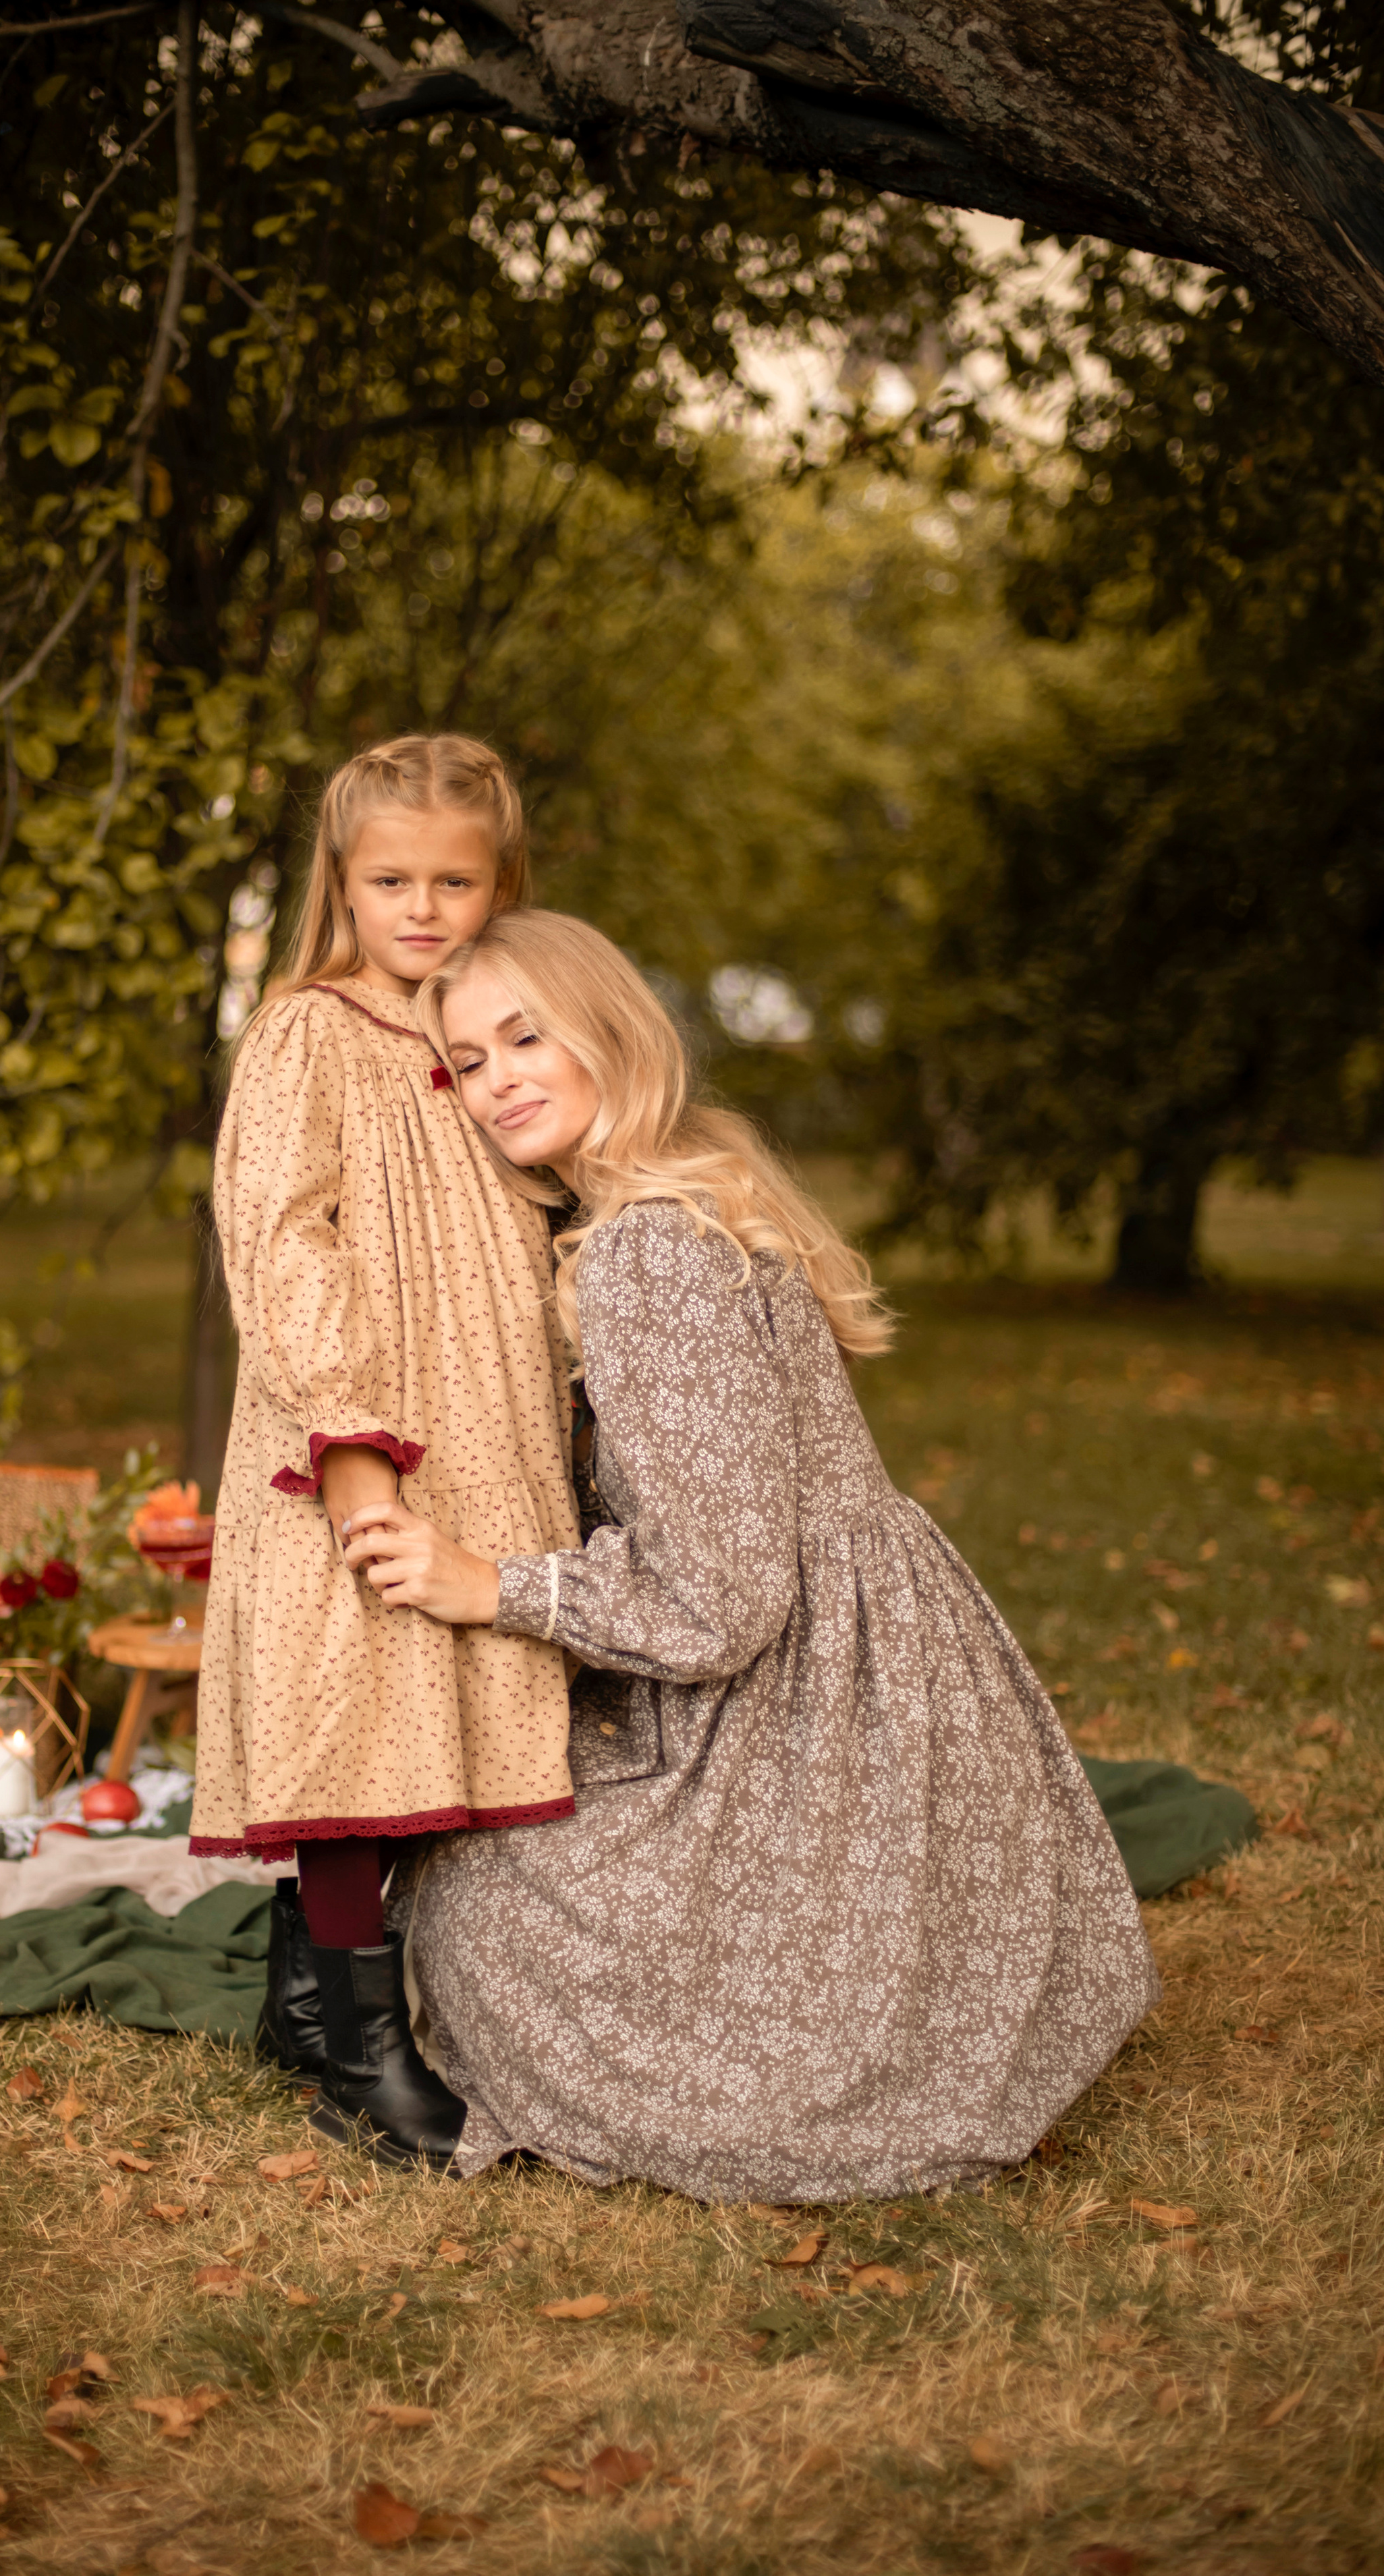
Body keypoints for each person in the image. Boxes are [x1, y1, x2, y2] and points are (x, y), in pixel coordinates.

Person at [344, 909, 1161, 2202]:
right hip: (882, 1675)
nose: (496, 1078)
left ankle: (794, 2072)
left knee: (470, 1899)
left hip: (795, 1702)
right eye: (467, 1062)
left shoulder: (643, 1257)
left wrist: (485, 1584)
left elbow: (723, 1597)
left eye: (524, 1036)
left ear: (612, 1033)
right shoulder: (702, 1185)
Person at [188, 741, 581, 2171]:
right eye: (389, 880)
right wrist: (349, 1442)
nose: (421, 907)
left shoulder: (481, 1043)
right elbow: (284, 1240)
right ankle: (364, 2054)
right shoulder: (310, 1031)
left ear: (501, 886)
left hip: (487, 1431)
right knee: (354, 1716)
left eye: (455, 881)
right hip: (358, 1432)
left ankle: (306, 1989)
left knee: (444, 1709)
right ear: (340, 886)